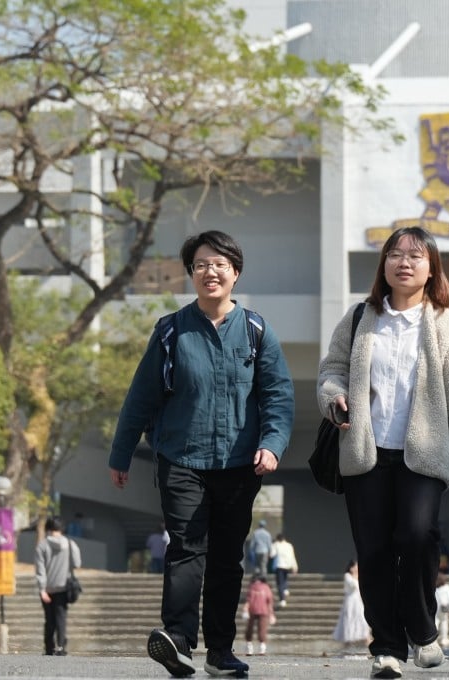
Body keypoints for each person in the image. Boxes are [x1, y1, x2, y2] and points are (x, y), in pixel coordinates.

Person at [109, 230, 295, 678]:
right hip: (181, 458)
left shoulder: (256, 330)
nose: (210, 272)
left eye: (219, 264)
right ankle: (177, 639)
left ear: (235, 272)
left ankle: (220, 652)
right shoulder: (172, 331)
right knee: (187, 548)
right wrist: (121, 454)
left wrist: (271, 445)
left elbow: (278, 396)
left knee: (228, 557)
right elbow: (141, 397)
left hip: (239, 464)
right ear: (191, 273)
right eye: (200, 265)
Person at [317, 226, 449, 680]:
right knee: (374, 550)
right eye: (395, 255)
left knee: (417, 537)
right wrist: (335, 396)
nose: (404, 262)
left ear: (431, 268)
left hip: (425, 453)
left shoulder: (445, 323)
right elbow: (332, 370)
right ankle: (387, 647)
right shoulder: (362, 317)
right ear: (383, 265)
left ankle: (422, 627)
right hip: (366, 451)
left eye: (415, 256)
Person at [34, 517, 80, 656]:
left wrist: (42, 590)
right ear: (61, 528)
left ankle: (49, 647)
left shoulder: (42, 546)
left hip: (47, 589)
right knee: (61, 618)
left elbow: (40, 570)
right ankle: (61, 647)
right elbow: (77, 563)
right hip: (63, 587)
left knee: (49, 619)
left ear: (48, 528)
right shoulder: (70, 544)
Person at [333, 560, 369, 646]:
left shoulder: (358, 576)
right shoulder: (347, 576)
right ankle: (347, 641)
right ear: (351, 568)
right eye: (356, 566)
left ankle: (366, 638)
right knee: (349, 619)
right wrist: (356, 577)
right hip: (350, 601)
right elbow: (354, 586)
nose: (357, 568)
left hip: (358, 601)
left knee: (362, 619)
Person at [243, 573, 275, 656]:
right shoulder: (266, 587)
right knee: (262, 629)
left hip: (252, 610)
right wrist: (271, 614)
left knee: (249, 629)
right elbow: (269, 602)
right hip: (264, 610)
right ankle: (262, 648)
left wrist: (245, 609)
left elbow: (248, 600)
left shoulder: (251, 586)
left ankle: (249, 647)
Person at [271, 534, 299, 608]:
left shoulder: (276, 545)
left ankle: (282, 600)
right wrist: (295, 566)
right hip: (287, 565)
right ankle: (285, 589)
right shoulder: (289, 545)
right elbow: (292, 556)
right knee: (284, 579)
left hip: (279, 565)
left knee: (280, 583)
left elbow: (271, 554)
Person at [433, 572, 449, 647]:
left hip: (436, 608)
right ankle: (444, 638)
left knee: (436, 623)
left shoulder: (434, 587)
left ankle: (434, 639)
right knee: (444, 624)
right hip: (444, 609)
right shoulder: (447, 587)